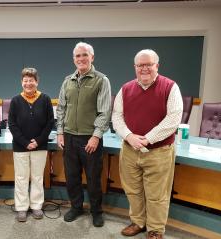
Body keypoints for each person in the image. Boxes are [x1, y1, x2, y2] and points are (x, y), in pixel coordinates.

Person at [112, 49, 183, 239]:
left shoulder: (170, 87)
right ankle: (138, 222)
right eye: (140, 65)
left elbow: (173, 119)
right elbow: (116, 117)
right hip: (129, 150)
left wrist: (147, 138)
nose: (144, 69)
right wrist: (129, 136)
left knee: (157, 194)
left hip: (158, 151)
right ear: (135, 67)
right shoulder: (125, 89)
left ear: (157, 66)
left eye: (148, 64)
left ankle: (155, 229)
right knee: (133, 190)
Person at [56, 42, 112, 227]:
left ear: (92, 57)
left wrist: (96, 136)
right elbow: (61, 109)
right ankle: (76, 207)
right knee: (72, 177)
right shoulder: (67, 81)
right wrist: (60, 133)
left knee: (93, 178)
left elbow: (104, 112)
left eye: (84, 55)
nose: (81, 59)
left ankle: (96, 211)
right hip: (70, 138)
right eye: (78, 56)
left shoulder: (101, 80)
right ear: (74, 59)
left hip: (90, 139)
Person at [8, 68, 55, 222]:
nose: (28, 83)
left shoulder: (45, 99)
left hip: (39, 146)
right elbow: (12, 124)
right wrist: (25, 142)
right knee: (21, 177)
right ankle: (21, 207)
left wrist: (38, 141)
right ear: (22, 82)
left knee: (37, 177)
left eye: (31, 80)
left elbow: (49, 123)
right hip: (20, 147)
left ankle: (36, 205)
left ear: (37, 81)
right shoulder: (15, 100)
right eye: (25, 80)